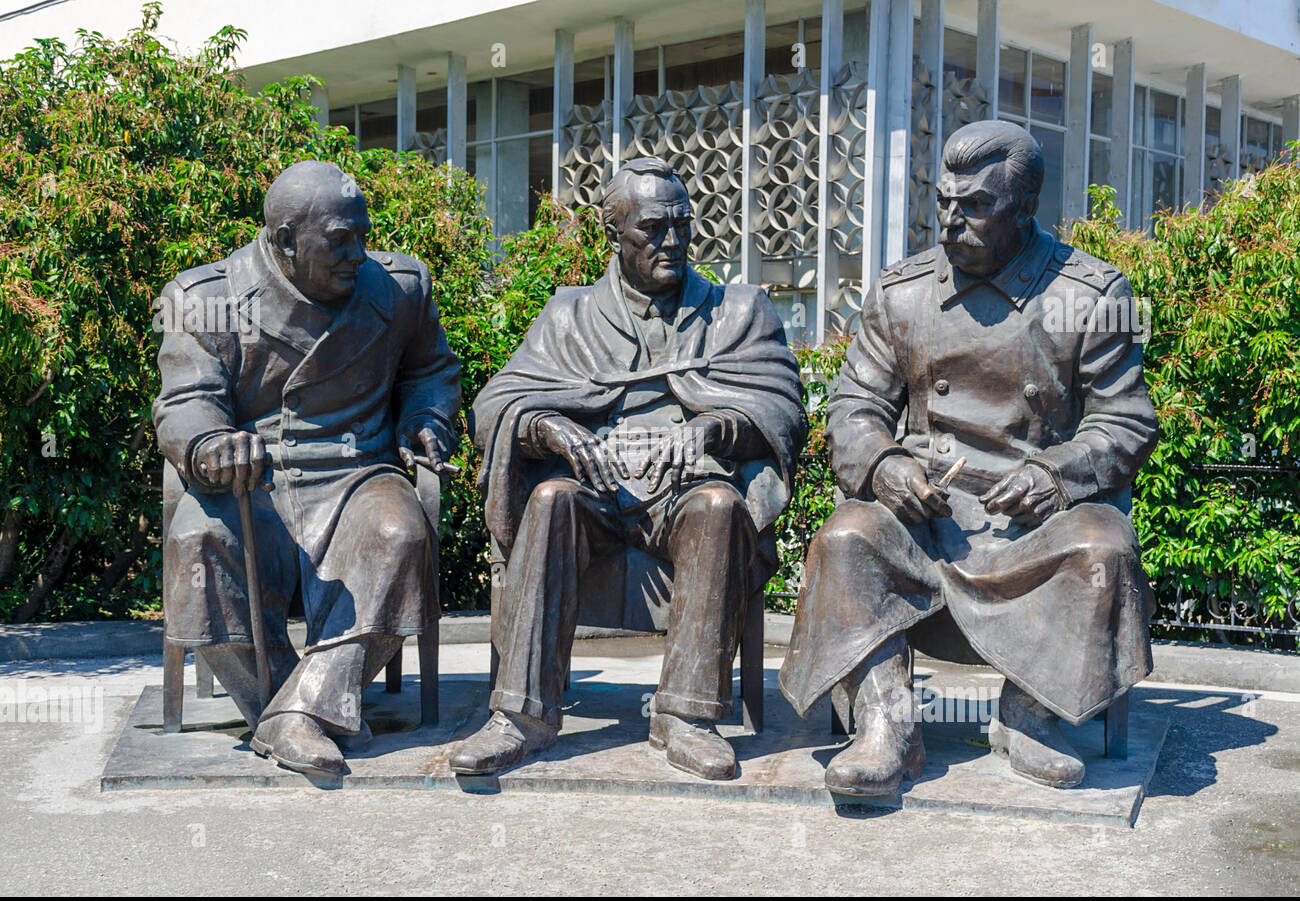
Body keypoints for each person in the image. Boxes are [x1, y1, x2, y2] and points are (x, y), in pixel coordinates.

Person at [780, 121, 1159, 794]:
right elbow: (853, 408)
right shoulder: (903, 292)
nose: (952, 221)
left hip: (1035, 517)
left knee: (1103, 545)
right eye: (945, 201)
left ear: (1026, 205)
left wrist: (1055, 474)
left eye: (976, 205)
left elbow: (1125, 421)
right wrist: (884, 464)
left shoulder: (1092, 295)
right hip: (926, 513)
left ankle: (1028, 717)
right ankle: (886, 723)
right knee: (846, 536)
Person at [453, 156, 807, 781]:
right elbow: (497, 404)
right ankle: (522, 716)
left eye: (682, 226)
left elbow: (782, 405)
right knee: (549, 500)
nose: (673, 242)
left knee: (721, 508)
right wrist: (549, 428)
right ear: (613, 234)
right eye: (653, 229)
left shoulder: (738, 312)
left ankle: (686, 718)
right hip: (594, 491)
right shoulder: (570, 317)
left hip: (686, 488)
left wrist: (714, 426)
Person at [153, 160, 461, 778]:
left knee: (401, 536)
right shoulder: (206, 299)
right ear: (285, 241)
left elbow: (430, 371)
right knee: (197, 542)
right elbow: (186, 400)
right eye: (339, 241)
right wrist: (211, 441)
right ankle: (290, 705)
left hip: (357, 473)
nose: (358, 253)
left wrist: (424, 419)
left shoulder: (399, 289)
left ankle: (294, 715)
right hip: (252, 479)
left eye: (362, 234)